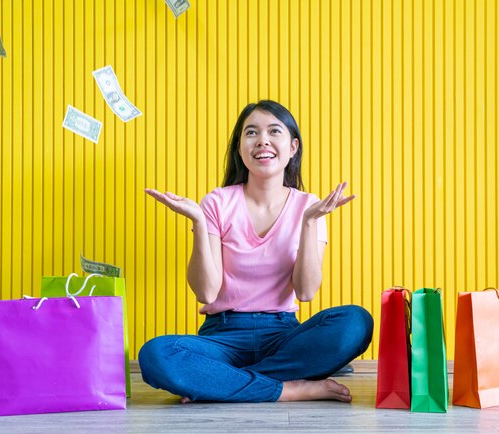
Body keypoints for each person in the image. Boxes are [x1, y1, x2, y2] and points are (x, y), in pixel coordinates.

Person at [139, 100, 373, 403]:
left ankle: (221, 382)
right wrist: (198, 221)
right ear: (240, 149)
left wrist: (310, 222)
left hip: (282, 335)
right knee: (156, 354)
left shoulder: (309, 206)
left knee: (356, 322)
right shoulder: (216, 202)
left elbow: (306, 292)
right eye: (251, 133)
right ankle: (289, 389)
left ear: (292, 147)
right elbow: (207, 294)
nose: (262, 140)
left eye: (274, 131)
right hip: (222, 337)